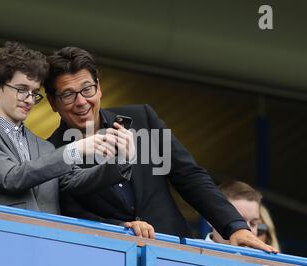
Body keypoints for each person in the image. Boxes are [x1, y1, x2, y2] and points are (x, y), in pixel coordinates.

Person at [43, 46, 277, 253]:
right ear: (53, 103)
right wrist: (120, 228)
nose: (81, 101)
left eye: (87, 89)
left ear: (99, 88)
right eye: (68, 95)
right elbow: (68, 216)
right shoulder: (50, 153)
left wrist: (234, 226)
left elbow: (188, 176)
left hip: (175, 258)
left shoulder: (142, 119)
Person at [0, 42, 134, 215]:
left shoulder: (45, 147)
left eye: (34, 93)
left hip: (48, 241)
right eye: (21, 89)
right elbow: (11, 178)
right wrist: (75, 150)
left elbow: (79, 181)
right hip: (7, 240)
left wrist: (122, 160)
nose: (29, 100)